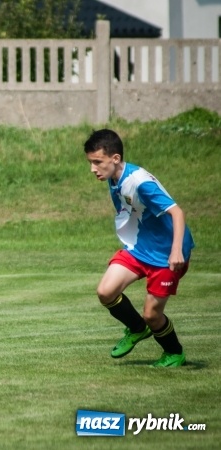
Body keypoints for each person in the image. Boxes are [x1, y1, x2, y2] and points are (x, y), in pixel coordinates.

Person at [83, 129, 194, 368]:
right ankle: (136, 329)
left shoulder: (141, 183)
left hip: (166, 254)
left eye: (97, 162)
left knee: (152, 315)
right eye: (90, 162)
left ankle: (174, 353)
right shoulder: (113, 177)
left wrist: (176, 251)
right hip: (139, 248)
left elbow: (177, 212)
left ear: (115, 158)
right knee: (105, 292)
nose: (93, 168)